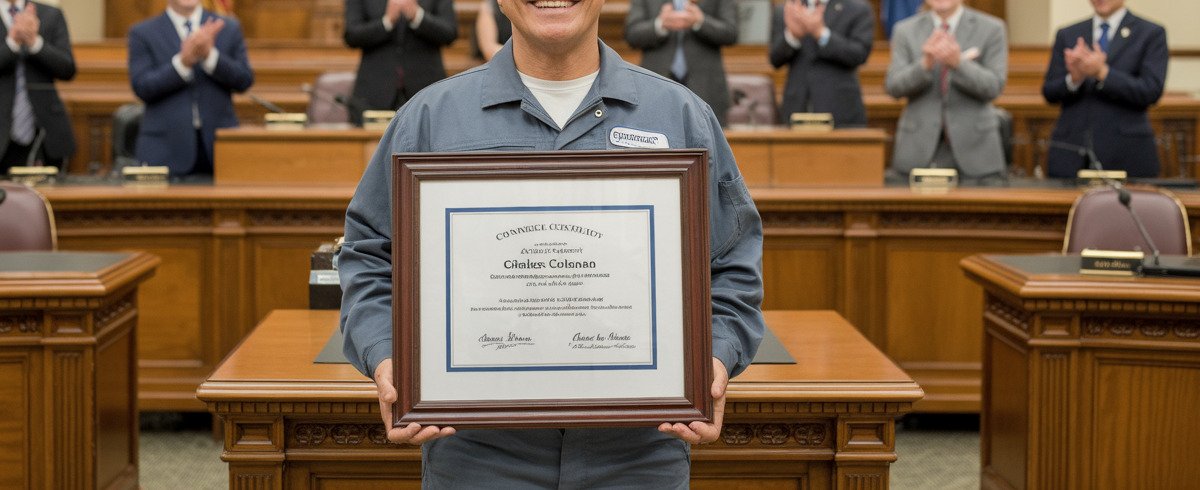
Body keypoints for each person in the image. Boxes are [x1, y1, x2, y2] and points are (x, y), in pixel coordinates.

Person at [338, 0, 765, 485]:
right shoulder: (430, 120)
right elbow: (368, 255)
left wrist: (714, 355)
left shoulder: (682, 116)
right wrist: (387, 353)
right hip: (476, 455)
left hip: (640, 455)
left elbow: (732, 261)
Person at [127, 0, 254, 177]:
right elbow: (143, 87)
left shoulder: (227, 27)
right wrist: (183, 62)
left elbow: (244, 80)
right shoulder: (143, 32)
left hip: (218, 147)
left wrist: (210, 55)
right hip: (165, 149)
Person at [884, 0, 1007, 182]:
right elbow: (893, 87)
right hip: (918, 149)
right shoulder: (905, 30)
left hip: (976, 151)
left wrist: (959, 64)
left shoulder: (992, 28)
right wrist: (924, 65)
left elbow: (994, 86)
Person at [1042, 0, 1167, 178]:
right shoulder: (1068, 34)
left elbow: (1150, 90)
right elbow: (1049, 92)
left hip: (1127, 151)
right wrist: (1074, 79)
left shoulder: (1150, 33)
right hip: (1071, 151)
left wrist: (1103, 73)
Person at [624, 0, 738, 126]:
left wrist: (700, 21)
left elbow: (731, 32)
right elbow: (632, 34)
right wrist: (660, 24)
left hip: (707, 87)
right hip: (655, 87)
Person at [343, 0, 457, 124]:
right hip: (374, 92)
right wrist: (386, 22)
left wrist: (417, 16)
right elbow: (352, 35)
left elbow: (449, 32)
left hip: (426, 90)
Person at [768, 0, 874, 127]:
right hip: (797, 108)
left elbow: (859, 54)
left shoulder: (857, 8)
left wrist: (821, 34)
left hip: (841, 111)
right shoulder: (788, 9)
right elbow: (775, 59)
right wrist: (793, 36)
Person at [0, 0, 75, 173]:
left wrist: (35, 43)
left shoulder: (50, 14)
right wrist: (12, 43)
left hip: (43, 132)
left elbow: (67, 69)